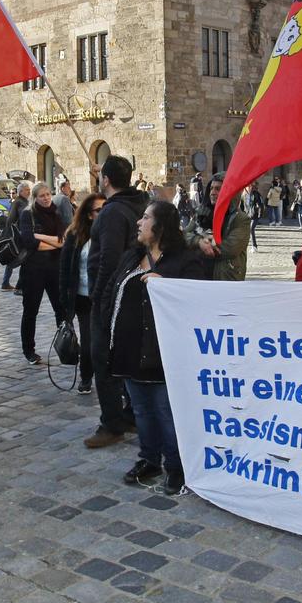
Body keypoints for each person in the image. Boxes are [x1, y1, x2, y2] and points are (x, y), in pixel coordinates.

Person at [102, 200, 206, 494]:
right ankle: (149, 459)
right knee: (142, 411)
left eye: (145, 217)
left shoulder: (185, 261)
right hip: (129, 351)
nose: (139, 222)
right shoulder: (133, 256)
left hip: (165, 354)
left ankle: (176, 466)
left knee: (165, 412)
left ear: (160, 226)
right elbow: (112, 291)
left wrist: (169, 284)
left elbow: (199, 299)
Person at [83, 155, 146, 449]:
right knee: (128, 358)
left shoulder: (111, 214)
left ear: (106, 180)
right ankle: (131, 413)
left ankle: (112, 423)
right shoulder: (141, 205)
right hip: (135, 292)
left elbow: (107, 260)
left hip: (112, 296)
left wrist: (100, 298)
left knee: (103, 361)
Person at [17, 181, 69, 365]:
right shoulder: (27, 214)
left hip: (55, 268)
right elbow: (29, 242)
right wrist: (52, 243)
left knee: (61, 309)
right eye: (42, 195)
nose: (46, 198)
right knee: (31, 311)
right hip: (33, 270)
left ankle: (66, 347)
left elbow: (63, 241)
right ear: (35, 198)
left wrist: (40, 237)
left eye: (48, 194)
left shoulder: (56, 212)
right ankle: (28, 350)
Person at [60, 193, 105, 395]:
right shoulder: (75, 235)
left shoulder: (111, 233)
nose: (103, 213)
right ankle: (86, 376)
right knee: (88, 342)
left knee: (106, 342)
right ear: (88, 214)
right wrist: (64, 302)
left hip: (104, 296)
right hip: (83, 297)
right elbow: (65, 268)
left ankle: (112, 381)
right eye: (98, 210)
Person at [186, 172, 250, 281]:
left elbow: (229, 248)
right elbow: (183, 235)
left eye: (218, 189)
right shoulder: (201, 214)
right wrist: (199, 241)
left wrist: (203, 246)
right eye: (211, 188)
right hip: (199, 276)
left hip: (225, 278)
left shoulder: (240, 219)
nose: (213, 192)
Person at [1, 180, 32, 292]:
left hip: (14, 234)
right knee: (24, 258)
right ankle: (20, 286)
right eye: (27, 190)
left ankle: (6, 283)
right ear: (21, 191)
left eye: (29, 190)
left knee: (13, 259)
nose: (29, 192)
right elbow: (21, 217)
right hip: (18, 234)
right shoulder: (20, 202)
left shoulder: (18, 201)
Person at [242, 184, 264, 251]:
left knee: (251, 229)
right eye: (247, 186)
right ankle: (244, 245)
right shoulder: (244, 195)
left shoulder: (256, 194)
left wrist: (260, 214)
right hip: (247, 214)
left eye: (250, 186)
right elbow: (242, 205)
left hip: (255, 214)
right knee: (247, 230)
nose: (249, 187)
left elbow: (261, 204)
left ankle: (254, 246)